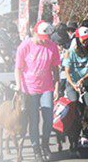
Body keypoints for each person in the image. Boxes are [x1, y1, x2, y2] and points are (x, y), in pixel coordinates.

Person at [15, 20, 61, 161]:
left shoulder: (52, 46)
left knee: (48, 118)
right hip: (30, 88)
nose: (43, 41)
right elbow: (18, 68)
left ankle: (45, 143)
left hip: (47, 87)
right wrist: (18, 86)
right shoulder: (25, 46)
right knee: (34, 120)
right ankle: (36, 148)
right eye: (41, 38)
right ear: (34, 32)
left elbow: (55, 69)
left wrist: (57, 88)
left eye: (46, 38)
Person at [62, 26, 88, 147]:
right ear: (78, 39)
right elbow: (67, 71)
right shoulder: (70, 53)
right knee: (73, 106)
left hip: (87, 84)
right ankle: (73, 134)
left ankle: (87, 133)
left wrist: (83, 80)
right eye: (84, 39)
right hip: (72, 84)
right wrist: (74, 84)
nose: (86, 41)